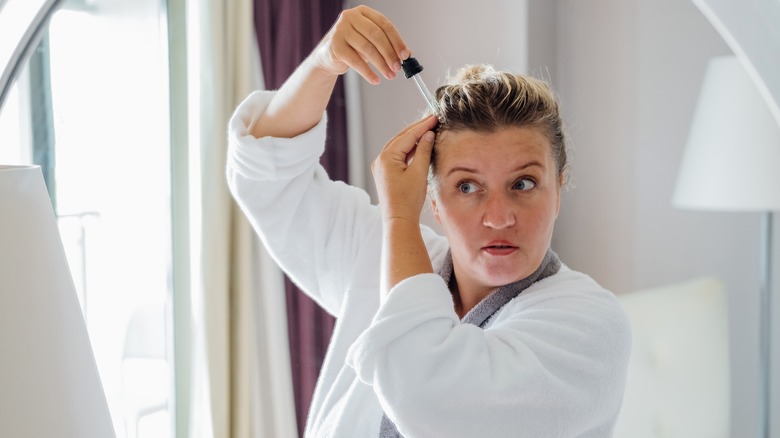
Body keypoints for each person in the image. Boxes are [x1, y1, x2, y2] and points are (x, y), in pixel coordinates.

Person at [227, 5, 631, 437]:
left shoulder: (590, 327)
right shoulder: (379, 254)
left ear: (558, 190)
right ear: (434, 200)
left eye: (524, 183)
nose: (499, 218)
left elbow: (425, 396)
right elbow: (266, 177)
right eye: (467, 186)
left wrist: (400, 214)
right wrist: (323, 63)